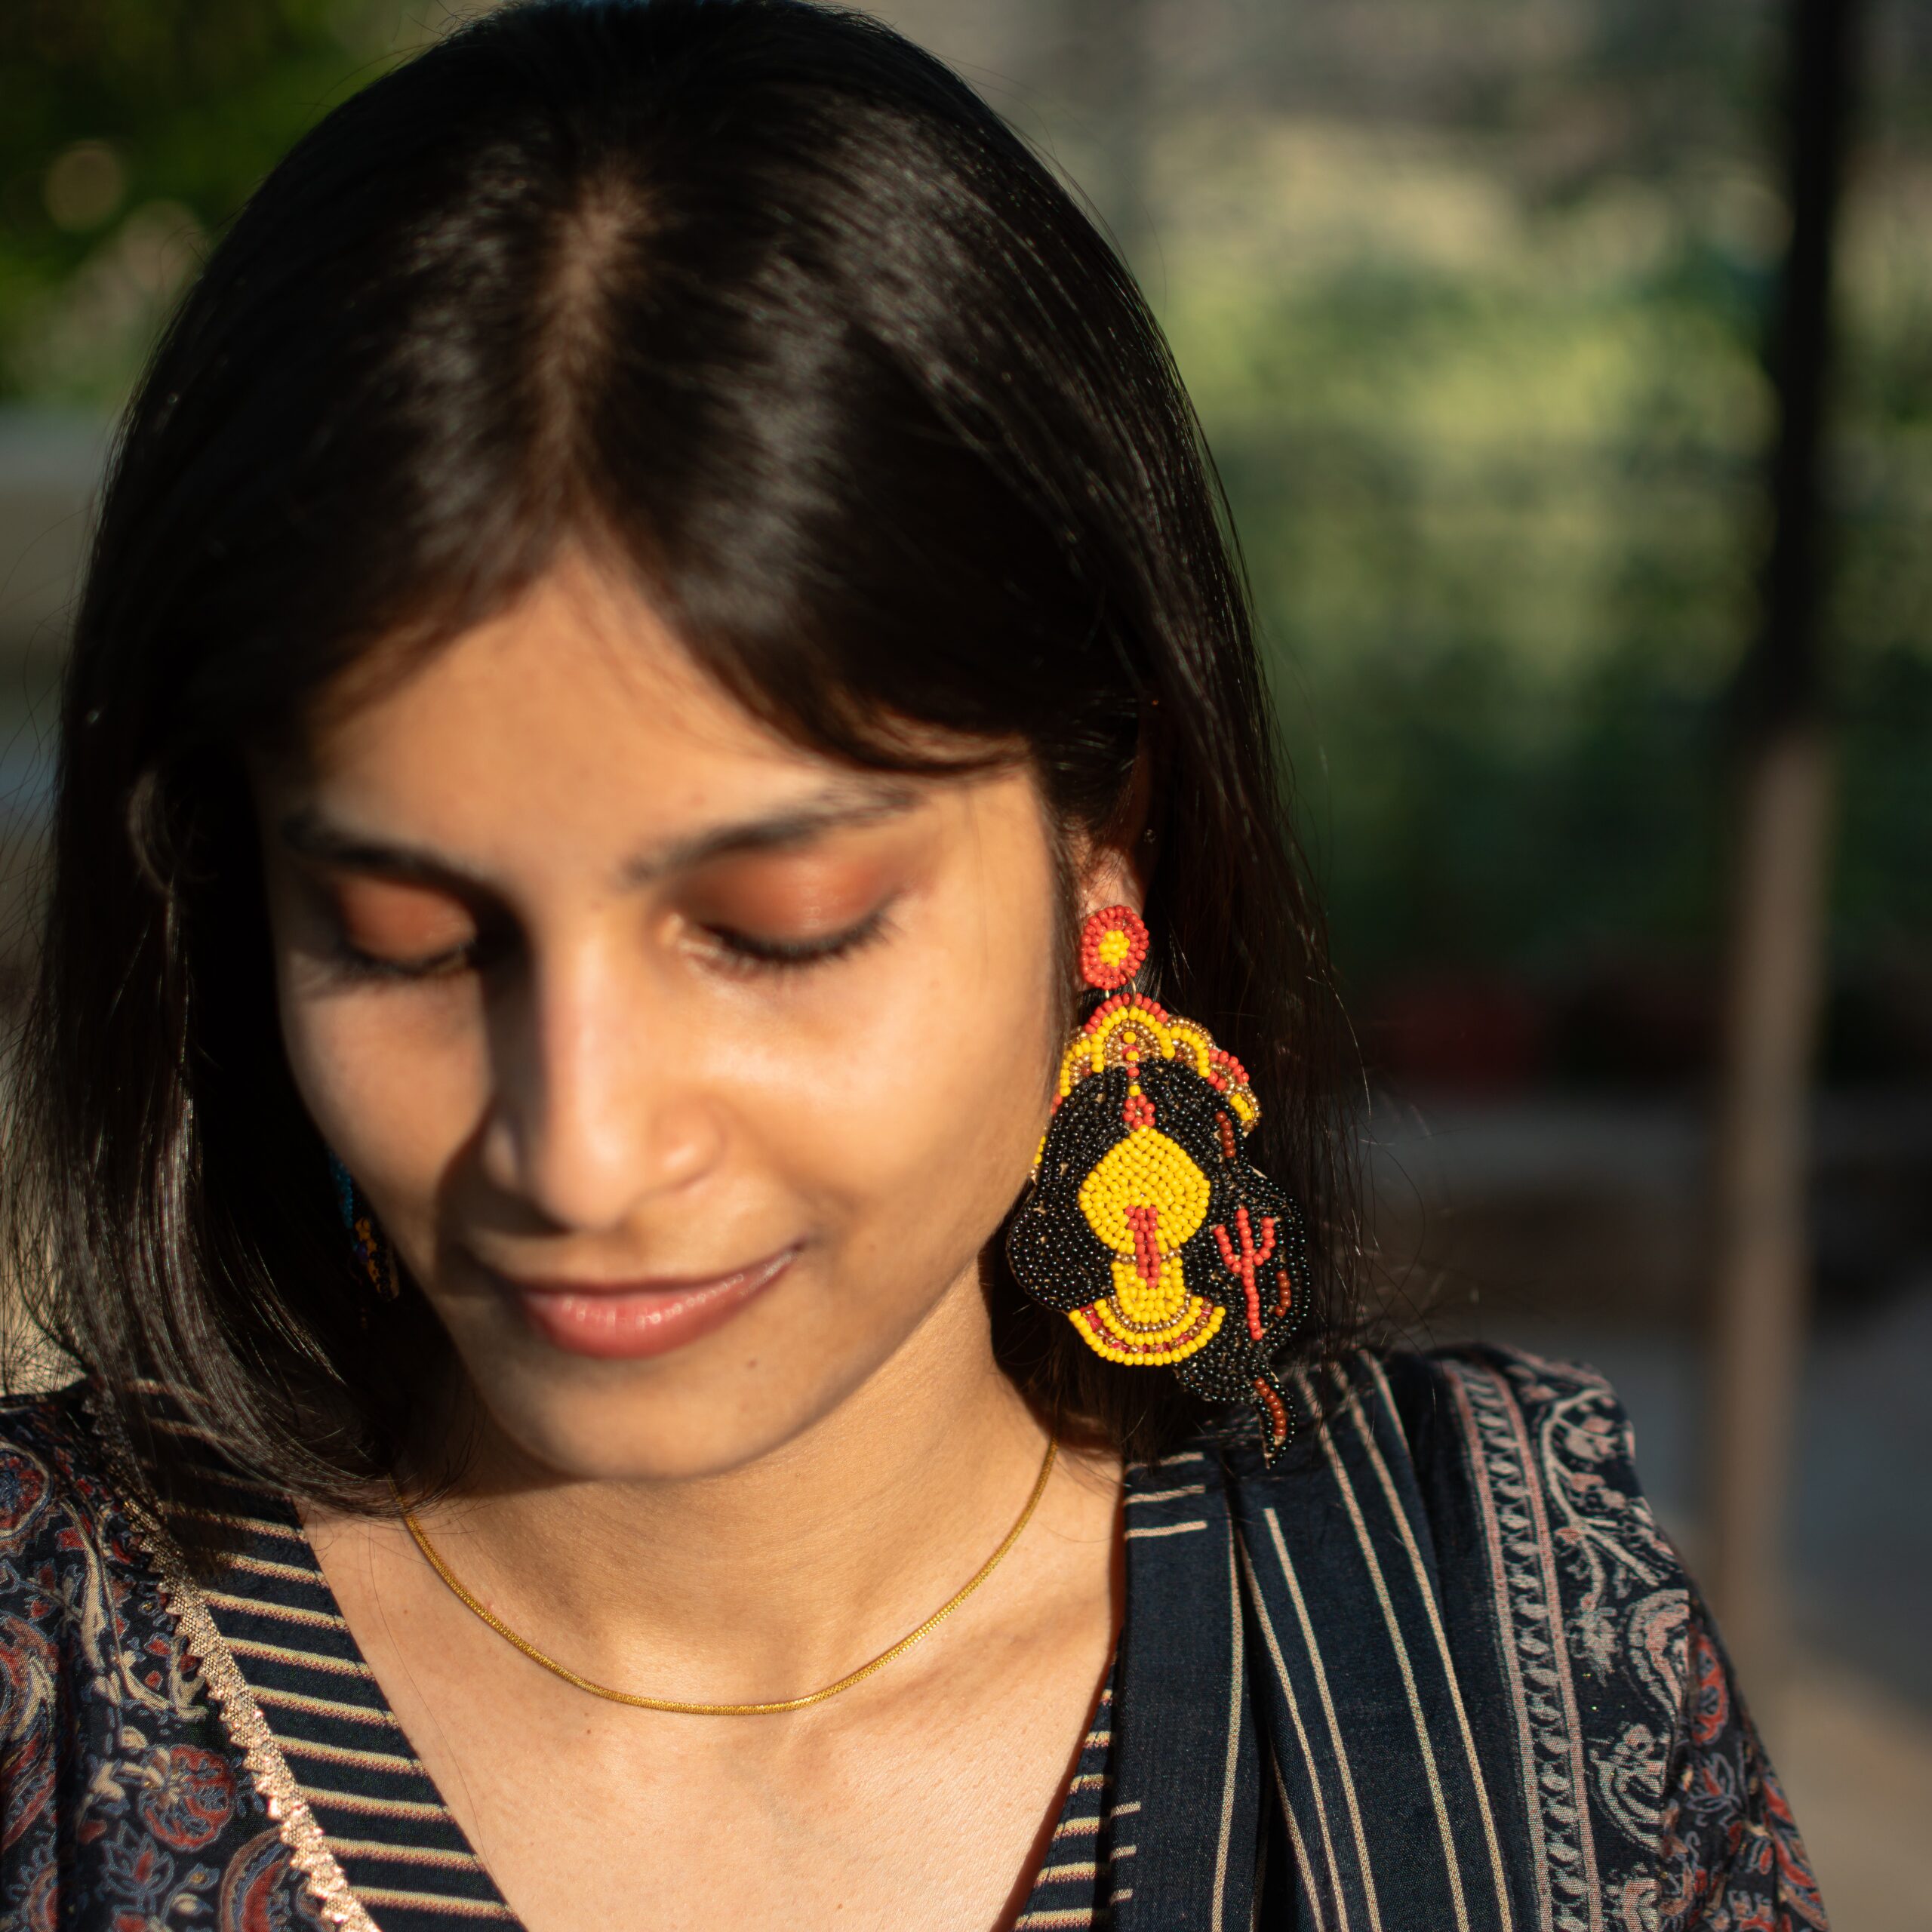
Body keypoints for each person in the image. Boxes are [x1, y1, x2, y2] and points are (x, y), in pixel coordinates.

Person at [0, 4, 1825, 1928]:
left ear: (1102, 833)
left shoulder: (1496, 1620)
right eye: (408, 942)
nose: (581, 1147)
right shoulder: (50, 1666)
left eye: (776, 930)